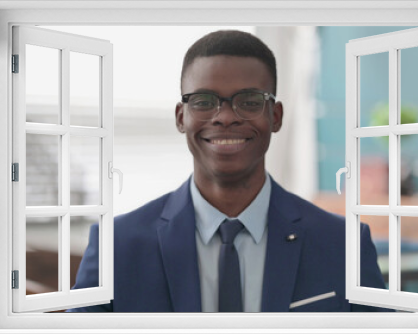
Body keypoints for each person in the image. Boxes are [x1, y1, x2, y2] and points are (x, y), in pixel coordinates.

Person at [67, 30, 389, 312]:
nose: (224, 117)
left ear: (275, 116)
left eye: (248, 101)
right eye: (204, 101)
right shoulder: (116, 245)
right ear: (181, 117)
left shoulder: (344, 245)